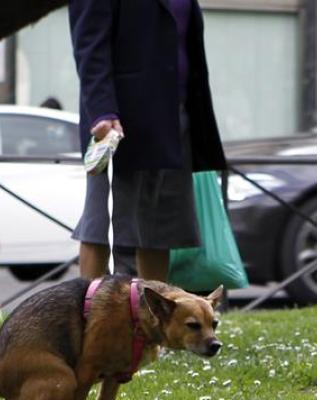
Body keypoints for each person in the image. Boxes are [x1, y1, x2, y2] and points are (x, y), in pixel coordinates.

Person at [69, 0, 227, 282]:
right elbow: (89, 45)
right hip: (119, 121)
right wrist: (102, 110)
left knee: (160, 228)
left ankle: (152, 317)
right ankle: (87, 315)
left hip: (174, 115)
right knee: (101, 224)